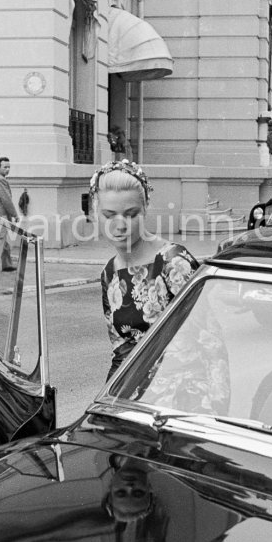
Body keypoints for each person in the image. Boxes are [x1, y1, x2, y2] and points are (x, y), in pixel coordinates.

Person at [90, 159, 199, 379]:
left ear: (145, 209)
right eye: (109, 216)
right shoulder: (109, 273)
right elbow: (121, 352)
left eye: (131, 214)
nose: (120, 226)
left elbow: (205, 344)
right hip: (136, 393)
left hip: (184, 392)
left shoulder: (175, 263)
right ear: (95, 214)